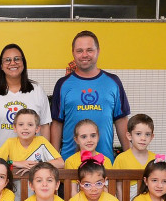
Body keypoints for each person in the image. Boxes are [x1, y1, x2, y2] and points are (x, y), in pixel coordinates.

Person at [51, 30, 130, 162]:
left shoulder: (113, 82)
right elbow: (57, 123)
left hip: (104, 162)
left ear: (98, 51)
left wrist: (129, 157)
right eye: (79, 51)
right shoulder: (63, 84)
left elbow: (121, 120)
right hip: (69, 162)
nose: (84, 55)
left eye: (89, 50)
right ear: (73, 53)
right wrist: (54, 158)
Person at [0, 43, 52, 149]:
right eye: (7, 60)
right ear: (1, 66)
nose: (12, 63)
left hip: (32, 156)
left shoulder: (37, 90)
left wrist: (45, 152)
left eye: (17, 59)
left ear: (23, 63)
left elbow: (44, 126)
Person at [0, 108, 64, 201]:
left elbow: (61, 163)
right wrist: (15, 163)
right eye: (21, 124)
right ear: (14, 128)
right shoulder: (10, 143)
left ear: (37, 128)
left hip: (40, 198)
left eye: (30, 125)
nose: (25, 128)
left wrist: (38, 166)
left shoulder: (41, 141)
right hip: (14, 198)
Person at [113, 114, 157, 201]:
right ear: (129, 136)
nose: (143, 138)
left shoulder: (156, 159)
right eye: (138, 134)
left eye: (147, 134)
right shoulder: (121, 159)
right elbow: (118, 187)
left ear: (152, 137)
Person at [64, 119, 112, 197]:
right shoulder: (70, 161)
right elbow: (73, 191)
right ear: (76, 140)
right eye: (84, 137)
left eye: (93, 136)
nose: (89, 140)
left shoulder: (106, 160)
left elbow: (107, 189)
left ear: (98, 137)